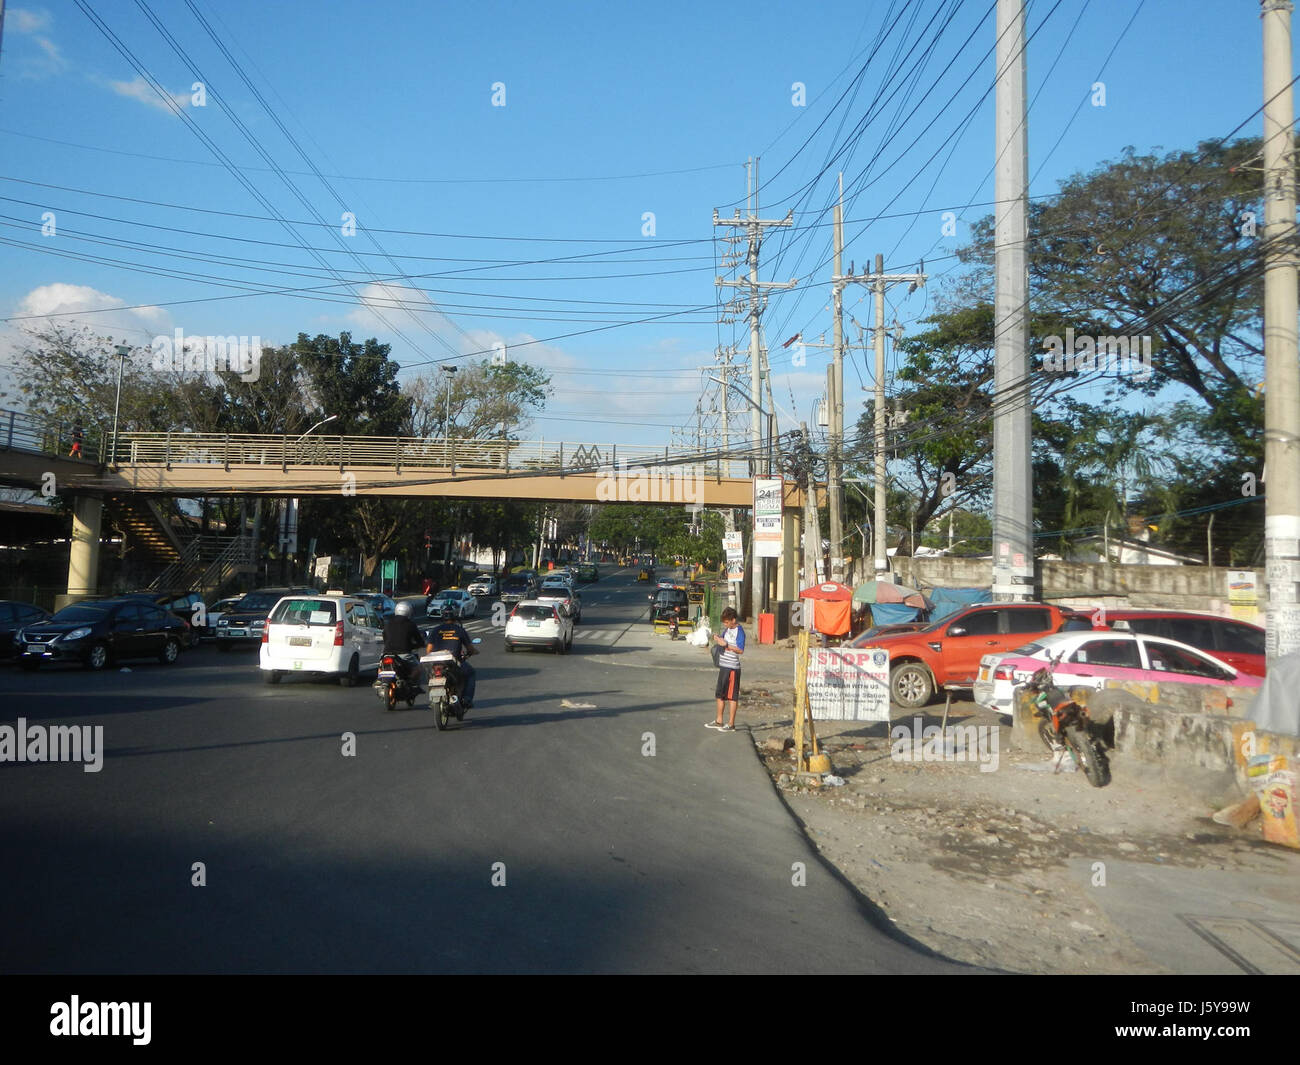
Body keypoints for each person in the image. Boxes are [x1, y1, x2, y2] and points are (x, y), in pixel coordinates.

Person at [428, 601, 478, 708]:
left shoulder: (435, 630)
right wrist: (473, 652)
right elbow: (470, 648)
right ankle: (467, 699)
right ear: (455, 614)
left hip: (437, 664)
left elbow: (429, 650)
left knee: (431, 675)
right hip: (454, 664)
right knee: (471, 673)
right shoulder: (459, 630)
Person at [707, 607, 745, 732]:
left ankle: (731, 723)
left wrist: (727, 645)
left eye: (727, 622)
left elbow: (740, 650)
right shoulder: (727, 630)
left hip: (732, 668)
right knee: (720, 694)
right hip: (723, 667)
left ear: (733, 620)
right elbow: (723, 641)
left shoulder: (740, 631)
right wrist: (718, 639)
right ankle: (719, 721)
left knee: (732, 697)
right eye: (724, 622)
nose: (726, 624)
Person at [383, 600, 432, 691]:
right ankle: (409, 682)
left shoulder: (388, 623)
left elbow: (385, 638)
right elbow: (419, 640)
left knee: (381, 665)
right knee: (419, 667)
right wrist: (417, 645)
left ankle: (380, 680)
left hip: (387, 653)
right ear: (409, 611)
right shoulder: (410, 624)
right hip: (404, 654)